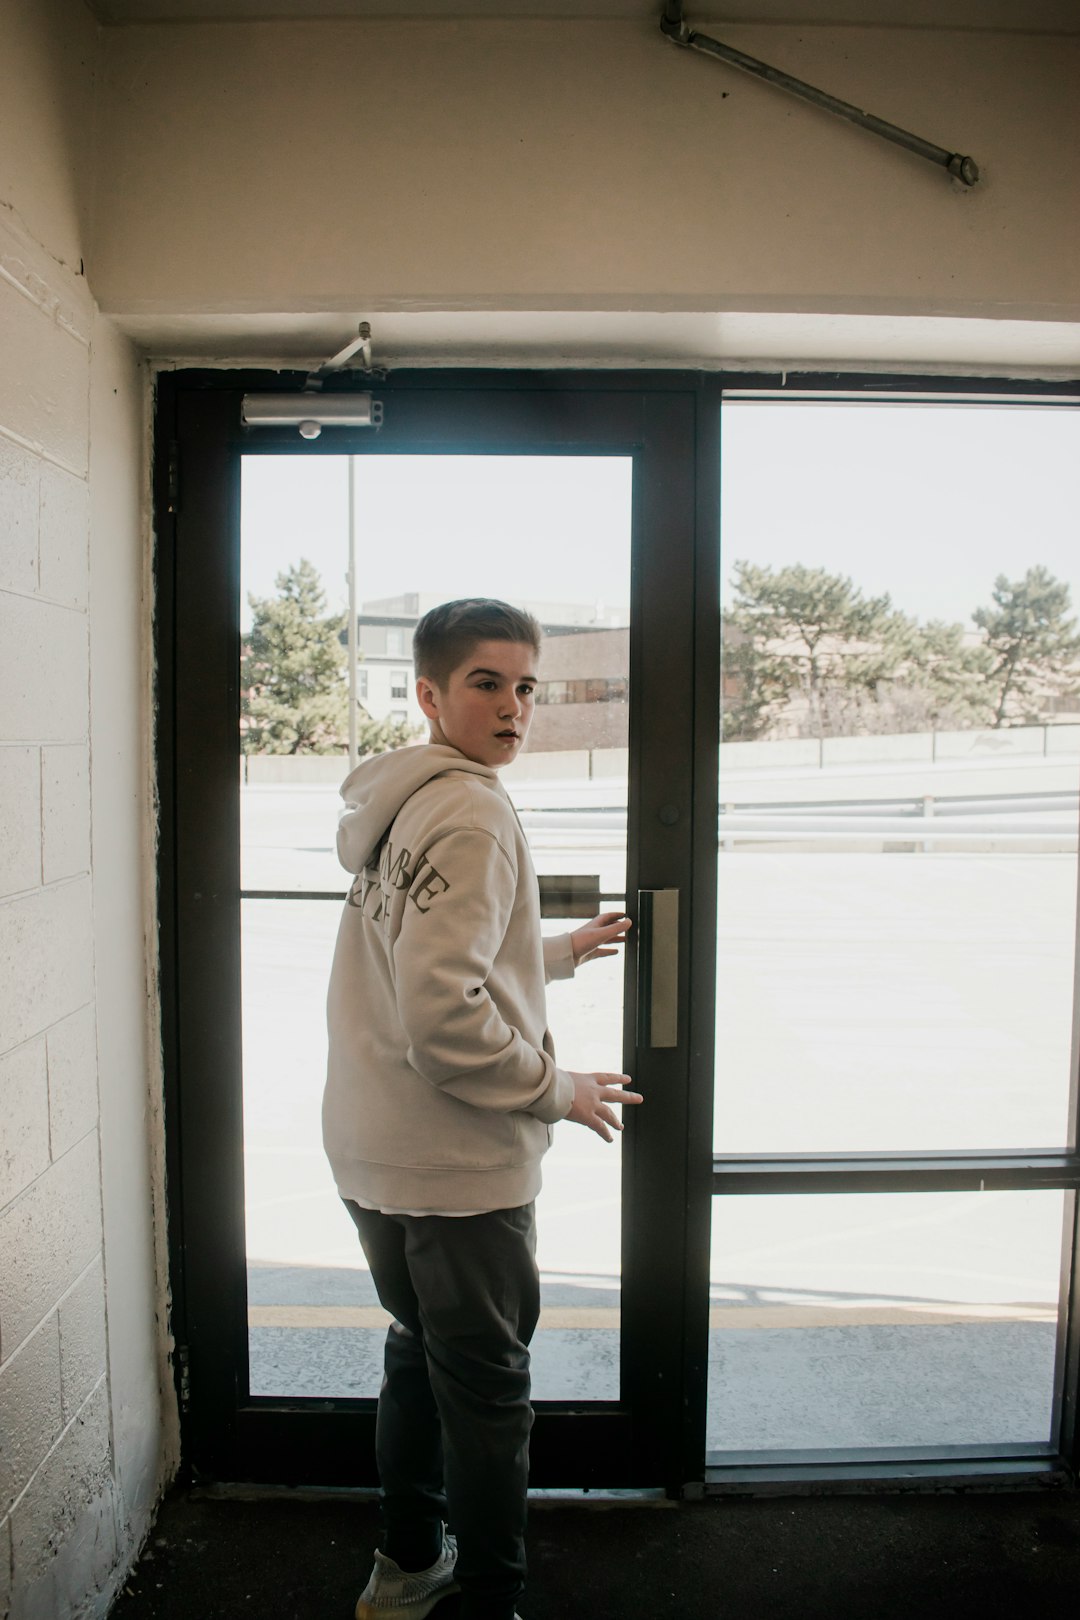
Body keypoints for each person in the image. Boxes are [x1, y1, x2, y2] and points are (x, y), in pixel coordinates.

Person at [323, 597, 642, 1620]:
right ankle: (490, 1598)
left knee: (417, 1360)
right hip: (455, 1169)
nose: (514, 707)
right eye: (486, 684)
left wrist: (548, 954)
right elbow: (446, 1019)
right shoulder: (473, 811)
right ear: (429, 693)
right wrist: (561, 1088)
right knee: (490, 1397)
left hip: (377, 1156)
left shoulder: (404, 802)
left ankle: (408, 1563)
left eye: (526, 687)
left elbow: (424, 958)